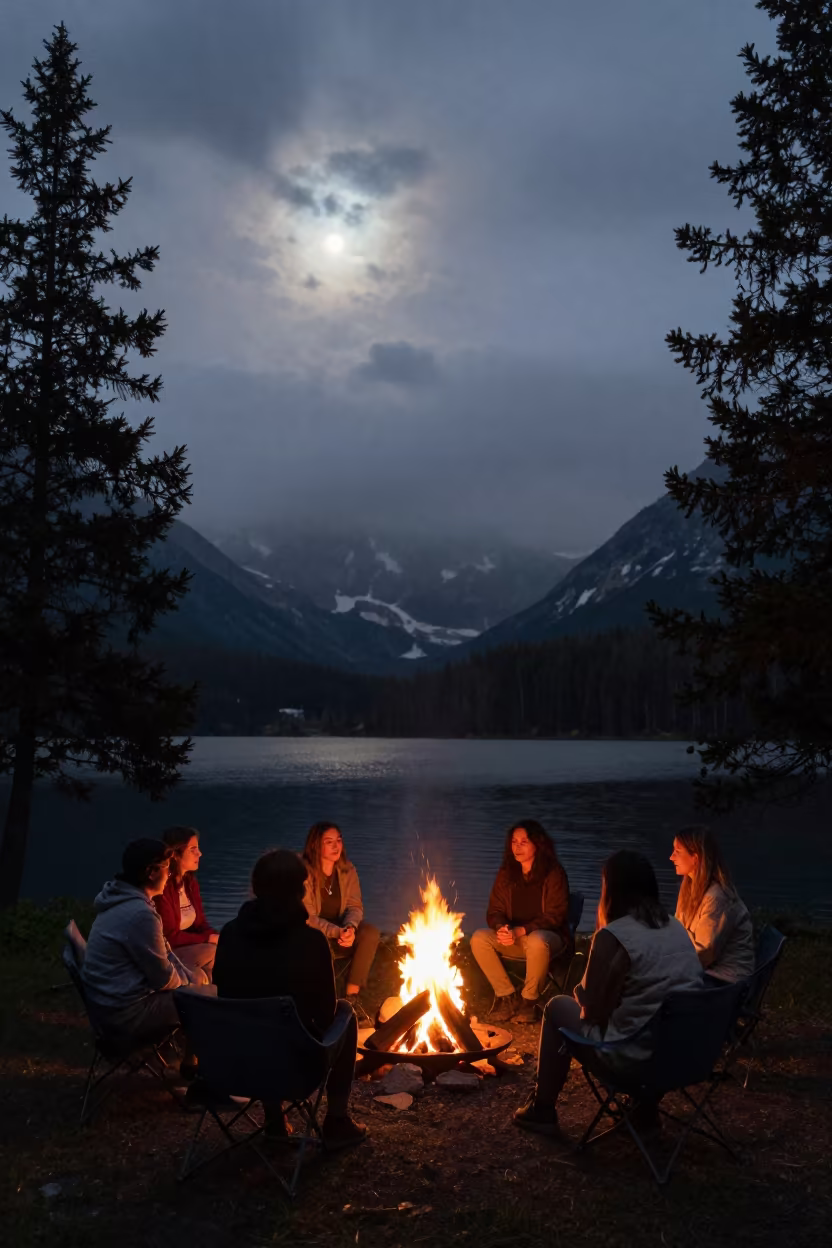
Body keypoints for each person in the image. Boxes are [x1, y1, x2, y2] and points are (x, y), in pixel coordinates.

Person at [514, 849, 703, 1135]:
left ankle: (542, 1109)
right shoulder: (675, 926)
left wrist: (588, 990)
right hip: (685, 1055)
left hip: (634, 1061)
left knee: (556, 1007)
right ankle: (644, 1110)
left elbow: (593, 1011)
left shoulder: (614, 936)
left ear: (611, 889)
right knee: (647, 1018)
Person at [213, 848, 366, 1149]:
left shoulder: (230, 934)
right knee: (344, 1015)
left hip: (236, 1063)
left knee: (261, 1027)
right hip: (295, 1068)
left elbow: (224, 993)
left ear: (256, 888)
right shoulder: (310, 942)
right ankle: (336, 1120)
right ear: (301, 889)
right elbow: (325, 1017)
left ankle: (274, 1119)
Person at [81, 839, 212, 1054]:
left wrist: (190, 977)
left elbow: (165, 952)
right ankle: (203, 1068)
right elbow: (163, 979)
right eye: (167, 869)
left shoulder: (124, 900)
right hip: (126, 1015)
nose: (169, 875)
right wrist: (193, 983)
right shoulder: (139, 914)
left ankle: (193, 1055)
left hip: (114, 1003)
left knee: (201, 981)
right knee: (212, 998)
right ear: (151, 872)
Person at [470, 820, 570, 1023]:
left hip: (549, 939)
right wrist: (502, 928)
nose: (517, 846)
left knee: (536, 940)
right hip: (516, 938)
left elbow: (555, 915)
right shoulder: (507, 873)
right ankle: (507, 997)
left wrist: (522, 930)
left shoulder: (553, 873)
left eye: (524, 841)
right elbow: (495, 910)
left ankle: (529, 1002)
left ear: (537, 844)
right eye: (514, 841)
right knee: (479, 938)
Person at [302, 822, 379, 1004]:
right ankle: (322, 1003)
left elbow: (355, 906)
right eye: (329, 842)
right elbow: (309, 918)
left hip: (341, 930)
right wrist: (336, 932)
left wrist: (349, 928)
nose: (336, 846)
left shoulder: (348, 870)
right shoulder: (304, 873)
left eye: (339, 840)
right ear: (315, 845)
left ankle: (351, 998)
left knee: (369, 933)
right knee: (318, 944)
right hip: (314, 933)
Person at [671, 825, 755, 982]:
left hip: (725, 981)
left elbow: (704, 953)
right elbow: (677, 931)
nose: (671, 857)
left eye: (677, 851)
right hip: (704, 974)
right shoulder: (689, 890)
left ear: (695, 858)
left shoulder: (717, 897)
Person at [154, 826, 218, 981]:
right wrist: (207, 939)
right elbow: (169, 937)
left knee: (204, 975)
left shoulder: (190, 883)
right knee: (215, 953)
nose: (199, 853)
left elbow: (201, 923)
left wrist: (215, 936)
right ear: (175, 854)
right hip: (167, 952)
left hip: (188, 948)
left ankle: (214, 998)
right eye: (193, 849)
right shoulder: (162, 887)